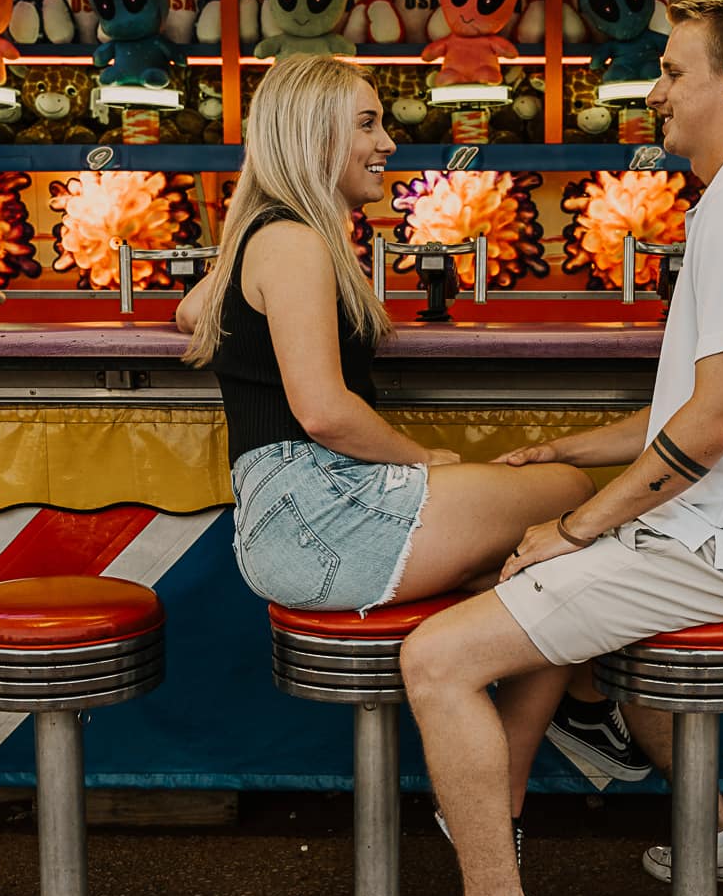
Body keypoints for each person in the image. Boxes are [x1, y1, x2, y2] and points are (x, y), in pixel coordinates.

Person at [376, 0, 723, 896]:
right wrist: (571, 451)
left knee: (437, 656)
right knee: (554, 615)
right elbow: (701, 400)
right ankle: (714, 836)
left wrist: (579, 523)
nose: (656, 94)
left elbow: (719, 418)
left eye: (675, 72)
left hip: (722, 545)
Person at [176, 54, 593, 651]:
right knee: (571, 493)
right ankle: (569, 706)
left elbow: (192, 310)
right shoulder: (293, 243)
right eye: (367, 124)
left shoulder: (270, 236)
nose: (388, 143)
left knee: (530, 574)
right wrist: (425, 460)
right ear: (312, 135)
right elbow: (323, 412)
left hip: (289, 517)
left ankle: (552, 712)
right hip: (314, 512)